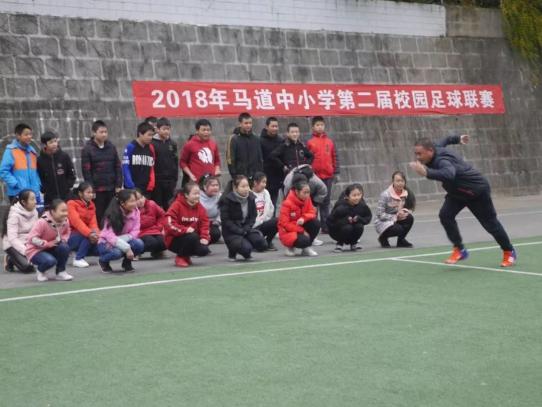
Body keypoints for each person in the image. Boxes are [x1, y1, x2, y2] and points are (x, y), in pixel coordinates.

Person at [410, 135, 516, 267]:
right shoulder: (435, 147)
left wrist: (427, 173)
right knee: (445, 215)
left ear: (430, 151)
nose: (417, 157)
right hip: (457, 193)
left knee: (491, 224)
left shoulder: (442, 161)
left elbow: (449, 174)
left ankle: (509, 251)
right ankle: (460, 249)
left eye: (419, 154)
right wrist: (458, 139)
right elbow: (446, 140)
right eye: (416, 154)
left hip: (476, 191)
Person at [81, 120, 123, 226]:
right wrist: (91, 190)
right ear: (94, 133)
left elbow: (118, 166)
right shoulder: (87, 149)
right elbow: (86, 171)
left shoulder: (111, 147)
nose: (104, 134)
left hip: (111, 188)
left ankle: (113, 233)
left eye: (105, 132)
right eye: (101, 132)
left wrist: (118, 185)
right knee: (99, 215)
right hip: (98, 190)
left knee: (113, 214)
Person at [219, 175, 267, 261]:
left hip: (245, 229)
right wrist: (239, 231)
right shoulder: (227, 200)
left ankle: (244, 246)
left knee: (262, 243)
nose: (246, 189)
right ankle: (232, 252)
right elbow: (226, 221)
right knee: (246, 249)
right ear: (235, 188)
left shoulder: (251, 197)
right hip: (231, 232)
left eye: (247, 186)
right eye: (243, 186)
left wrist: (247, 228)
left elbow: (253, 216)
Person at [165, 182, 211, 267]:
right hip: (174, 239)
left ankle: (186, 256)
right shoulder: (176, 205)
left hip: (192, 237)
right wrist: (185, 230)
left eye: (198, 193)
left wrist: (204, 237)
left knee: (204, 250)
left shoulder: (200, 207)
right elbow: (169, 224)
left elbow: (205, 223)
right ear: (186, 195)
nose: (197, 196)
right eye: (195, 194)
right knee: (192, 236)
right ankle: (180, 257)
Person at [98, 189, 144, 273]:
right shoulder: (111, 214)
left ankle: (127, 263)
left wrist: (125, 241)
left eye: (135, 200)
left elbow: (135, 231)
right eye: (131, 201)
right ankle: (103, 261)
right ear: (122, 203)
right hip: (106, 243)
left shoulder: (136, 212)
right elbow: (109, 236)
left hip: (123, 240)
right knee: (117, 253)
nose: (135, 203)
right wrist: (127, 248)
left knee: (139, 244)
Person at [307, 116, 340, 233]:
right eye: (317, 125)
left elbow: (334, 157)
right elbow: (307, 159)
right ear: (313, 127)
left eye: (321, 125)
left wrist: (336, 172)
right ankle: (313, 225)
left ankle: (325, 226)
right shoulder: (310, 142)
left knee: (326, 201)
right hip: (314, 177)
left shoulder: (329, 142)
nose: (320, 127)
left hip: (328, 176)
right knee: (314, 201)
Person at [26, 199, 72, 282]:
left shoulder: (65, 221)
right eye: (62, 211)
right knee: (50, 261)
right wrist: (46, 244)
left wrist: (64, 239)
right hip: (36, 250)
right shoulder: (42, 222)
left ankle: (61, 272)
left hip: (52, 247)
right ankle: (40, 270)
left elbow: (67, 231)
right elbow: (32, 238)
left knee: (64, 247)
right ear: (53, 211)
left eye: (66, 211)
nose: (65, 213)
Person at [0, 123, 41, 206]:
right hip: (17, 193)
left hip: (33, 193)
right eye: (26, 134)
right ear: (18, 136)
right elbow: (3, 171)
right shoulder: (11, 151)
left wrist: (38, 185)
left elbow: (36, 172)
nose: (29, 136)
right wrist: (16, 184)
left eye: (30, 134)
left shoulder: (32, 152)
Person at [278, 179, 320, 257]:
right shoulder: (287, 203)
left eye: (308, 192)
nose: (307, 195)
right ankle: (289, 247)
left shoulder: (307, 199)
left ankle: (306, 248)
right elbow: (285, 224)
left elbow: (312, 212)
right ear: (297, 192)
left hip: (300, 226)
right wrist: (302, 231)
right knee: (304, 240)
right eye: (304, 192)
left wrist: (304, 218)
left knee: (316, 223)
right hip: (288, 231)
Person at [374, 171, 415, 249]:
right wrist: (395, 217)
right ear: (393, 181)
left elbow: (410, 207)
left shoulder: (406, 193)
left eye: (402, 181)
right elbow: (380, 215)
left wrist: (404, 212)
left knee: (409, 218)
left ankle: (401, 241)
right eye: (398, 181)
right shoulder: (385, 195)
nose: (400, 183)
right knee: (399, 229)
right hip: (382, 221)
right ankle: (383, 238)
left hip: (396, 219)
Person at [327, 183, 372, 252]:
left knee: (359, 226)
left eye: (359, 195)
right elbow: (330, 222)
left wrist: (359, 219)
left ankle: (354, 243)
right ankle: (339, 244)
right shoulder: (340, 206)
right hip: (337, 231)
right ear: (347, 196)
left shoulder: (362, 205)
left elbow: (368, 217)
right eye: (354, 195)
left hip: (353, 230)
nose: (357, 198)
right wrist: (345, 221)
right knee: (348, 227)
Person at [2, 189, 38, 273]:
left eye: (35, 199)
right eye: (32, 199)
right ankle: (9, 259)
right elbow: (12, 239)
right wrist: (26, 251)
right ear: (23, 202)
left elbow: (36, 231)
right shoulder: (14, 215)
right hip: (12, 244)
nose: (35, 202)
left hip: (27, 241)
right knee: (28, 268)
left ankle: (16, 258)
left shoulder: (35, 212)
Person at [37, 130, 76, 206]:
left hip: (66, 196)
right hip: (50, 199)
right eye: (51, 142)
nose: (54, 144)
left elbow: (71, 174)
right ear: (44, 145)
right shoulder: (40, 160)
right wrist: (45, 189)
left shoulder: (64, 156)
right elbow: (40, 178)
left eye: (55, 141)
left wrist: (67, 186)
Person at [180, 119, 221, 186]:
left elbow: (217, 161)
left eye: (208, 130)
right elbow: (182, 162)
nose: (206, 132)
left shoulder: (213, 144)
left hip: (211, 181)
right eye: (204, 130)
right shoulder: (189, 144)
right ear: (197, 131)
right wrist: (190, 174)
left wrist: (217, 169)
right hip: (196, 181)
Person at [67, 182, 100, 268]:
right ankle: (78, 258)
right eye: (88, 192)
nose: (91, 195)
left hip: (85, 235)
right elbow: (76, 222)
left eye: (92, 192)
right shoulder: (71, 203)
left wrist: (96, 235)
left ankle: (79, 253)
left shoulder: (92, 205)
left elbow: (93, 223)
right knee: (88, 236)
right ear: (80, 193)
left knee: (99, 245)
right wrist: (90, 233)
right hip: (71, 236)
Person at [151, 117, 179, 210]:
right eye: (164, 129)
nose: (166, 131)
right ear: (157, 129)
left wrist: (175, 179)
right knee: (157, 206)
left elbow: (175, 162)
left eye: (168, 129)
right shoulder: (151, 143)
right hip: (157, 181)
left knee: (170, 205)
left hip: (170, 181)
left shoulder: (172, 144)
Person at [226, 112, 263, 182]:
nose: (248, 125)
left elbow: (260, 159)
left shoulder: (256, 138)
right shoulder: (234, 139)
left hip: (255, 178)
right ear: (240, 124)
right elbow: (230, 160)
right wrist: (234, 176)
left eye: (250, 123)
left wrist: (260, 174)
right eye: (246, 123)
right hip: (240, 178)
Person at [122, 122, 156, 196]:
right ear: (140, 134)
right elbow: (125, 167)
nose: (151, 137)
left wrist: (151, 184)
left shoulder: (151, 148)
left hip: (146, 188)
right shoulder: (130, 147)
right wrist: (130, 185)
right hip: (132, 189)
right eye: (149, 135)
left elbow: (152, 167)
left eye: (152, 135)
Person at [260, 117, 284, 210]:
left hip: (277, 177)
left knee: (273, 203)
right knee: (264, 203)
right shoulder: (260, 141)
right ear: (267, 127)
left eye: (276, 126)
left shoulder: (280, 140)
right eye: (272, 126)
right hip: (265, 176)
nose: (275, 128)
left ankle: (272, 219)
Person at [135, 189, 167, 258]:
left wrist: (160, 227)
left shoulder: (152, 204)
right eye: (136, 199)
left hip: (155, 230)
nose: (140, 201)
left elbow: (162, 215)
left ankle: (157, 252)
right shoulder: (131, 210)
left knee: (165, 242)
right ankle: (136, 251)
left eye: (141, 197)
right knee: (151, 242)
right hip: (140, 233)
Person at [251, 172, 278, 251]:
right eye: (262, 182)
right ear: (255, 183)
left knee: (277, 221)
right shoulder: (249, 194)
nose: (264, 185)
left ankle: (268, 241)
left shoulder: (266, 193)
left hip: (263, 223)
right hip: (252, 227)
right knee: (262, 246)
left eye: (265, 182)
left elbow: (271, 209)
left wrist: (265, 220)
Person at [199, 174, 222, 244]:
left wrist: (217, 222)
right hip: (200, 223)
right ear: (205, 187)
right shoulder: (197, 196)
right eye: (212, 185)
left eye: (217, 185)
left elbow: (222, 212)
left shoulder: (220, 196)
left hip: (214, 223)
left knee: (215, 234)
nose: (215, 187)